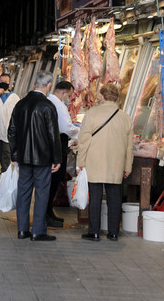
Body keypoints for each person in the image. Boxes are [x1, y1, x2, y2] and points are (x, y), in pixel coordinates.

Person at [8, 71, 62, 242]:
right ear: (48, 85)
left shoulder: (20, 104)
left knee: (23, 193)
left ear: (33, 84)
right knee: (41, 194)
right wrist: (57, 158)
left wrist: (15, 154)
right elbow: (54, 135)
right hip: (43, 158)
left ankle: (22, 230)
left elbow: (12, 132)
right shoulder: (47, 106)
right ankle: (38, 231)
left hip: (23, 158)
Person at [77, 83, 133, 242]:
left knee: (95, 197)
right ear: (116, 98)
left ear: (102, 96)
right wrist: (127, 166)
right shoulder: (125, 117)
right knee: (115, 198)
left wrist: (80, 163)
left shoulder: (92, 114)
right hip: (116, 164)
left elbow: (84, 142)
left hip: (94, 162)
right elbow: (130, 147)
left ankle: (94, 232)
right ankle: (113, 233)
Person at [46, 81, 80, 227]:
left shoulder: (51, 101)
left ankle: (48, 212)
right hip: (57, 145)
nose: (70, 98)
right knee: (52, 182)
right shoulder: (58, 105)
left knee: (52, 182)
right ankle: (47, 214)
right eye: (70, 95)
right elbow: (66, 127)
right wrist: (79, 131)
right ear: (64, 92)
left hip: (54, 144)